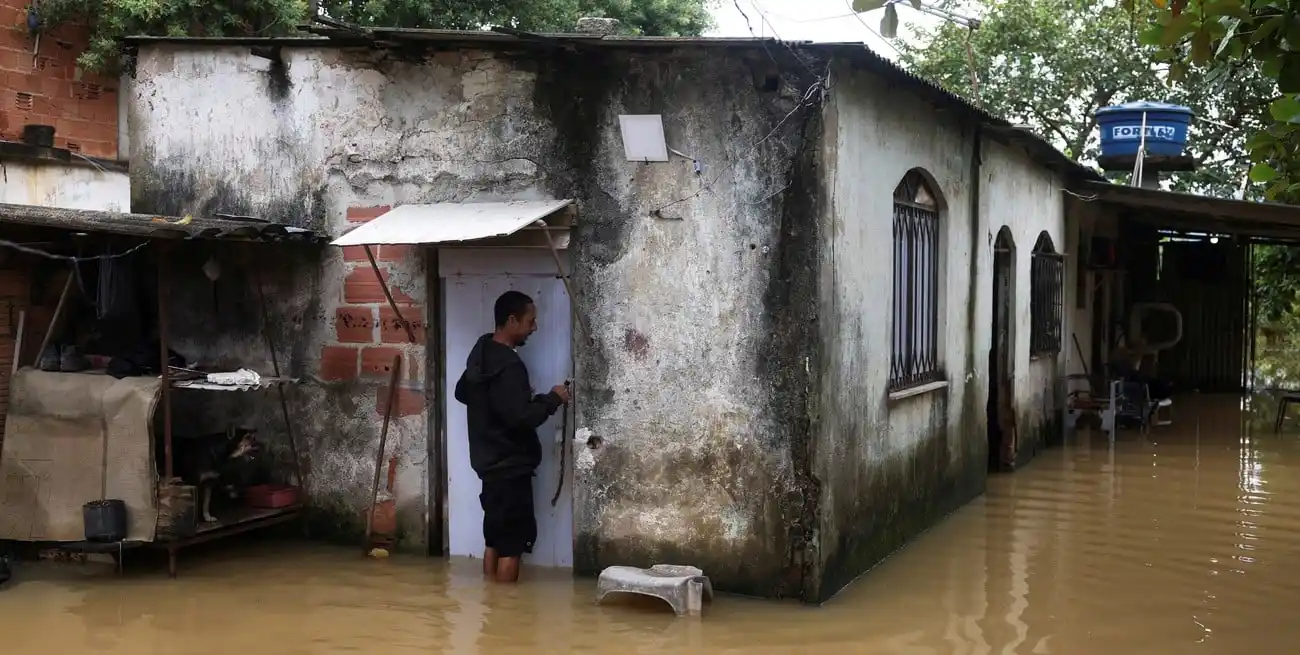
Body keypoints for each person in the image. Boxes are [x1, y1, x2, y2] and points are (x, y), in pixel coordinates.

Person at [454, 290, 569, 583]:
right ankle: (505, 615)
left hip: (488, 466)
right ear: (512, 320)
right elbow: (522, 419)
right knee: (512, 547)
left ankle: (491, 606)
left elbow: (462, 392)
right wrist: (553, 399)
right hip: (509, 469)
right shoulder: (509, 366)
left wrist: (512, 400)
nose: (535, 327)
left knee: (494, 540)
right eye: (530, 321)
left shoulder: (480, 353)